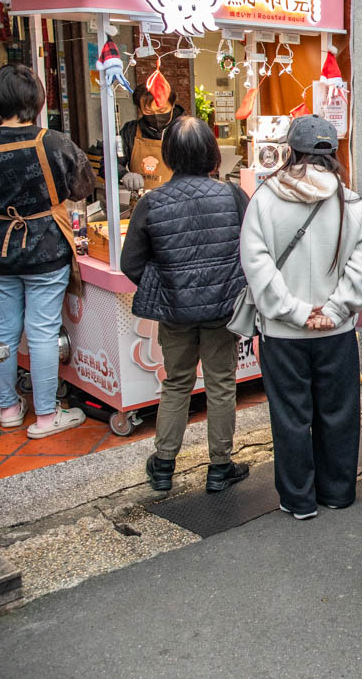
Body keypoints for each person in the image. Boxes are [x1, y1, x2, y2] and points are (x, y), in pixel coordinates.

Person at [241, 115, 362, 518]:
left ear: (290, 151)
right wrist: (334, 309)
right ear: (332, 154)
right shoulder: (350, 202)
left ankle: (298, 498)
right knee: (338, 413)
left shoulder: (264, 201)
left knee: (290, 416)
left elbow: (257, 264)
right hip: (337, 332)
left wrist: (296, 312)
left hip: (283, 334)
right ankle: (337, 491)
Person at [121, 117, 251, 494]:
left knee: (176, 383)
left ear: (169, 155)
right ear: (211, 152)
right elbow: (250, 249)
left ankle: (163, 466)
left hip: (175, 313)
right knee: (221, 383)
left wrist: (166, 288)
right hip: (222, 311)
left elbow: (131, 263)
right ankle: (219, 467)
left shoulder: (152, 202)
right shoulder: (231, 196)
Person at [0, 64, 95, 438]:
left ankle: (9, 409)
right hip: (46, 247)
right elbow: (82, 187)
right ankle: (46, 417)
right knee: (43, 332)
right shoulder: (53, 141)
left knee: (5, 332)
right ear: (37, 100)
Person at [120, 86, 186, 192]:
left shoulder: (188, 130)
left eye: (162, 110)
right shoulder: (130, 131)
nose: (156, 116)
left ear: (172, 105)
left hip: (180, 202)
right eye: (148, 111)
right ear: (140, 109)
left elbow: (206, 168)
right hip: (143, 202)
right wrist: (123, 174)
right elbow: (110, 163)